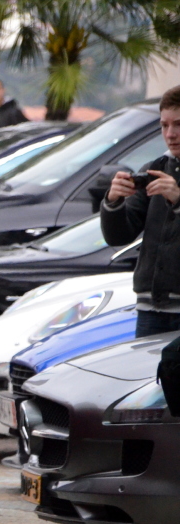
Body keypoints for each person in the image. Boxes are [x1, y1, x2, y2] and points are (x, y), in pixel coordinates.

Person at [101, 84, 180, 338]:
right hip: (151, 307)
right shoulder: (156, 167)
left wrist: (178, 200)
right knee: (144, 378)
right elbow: (118, 237)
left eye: (178, 124)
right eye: (164, 125)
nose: (170, 134)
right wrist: (114, 201)